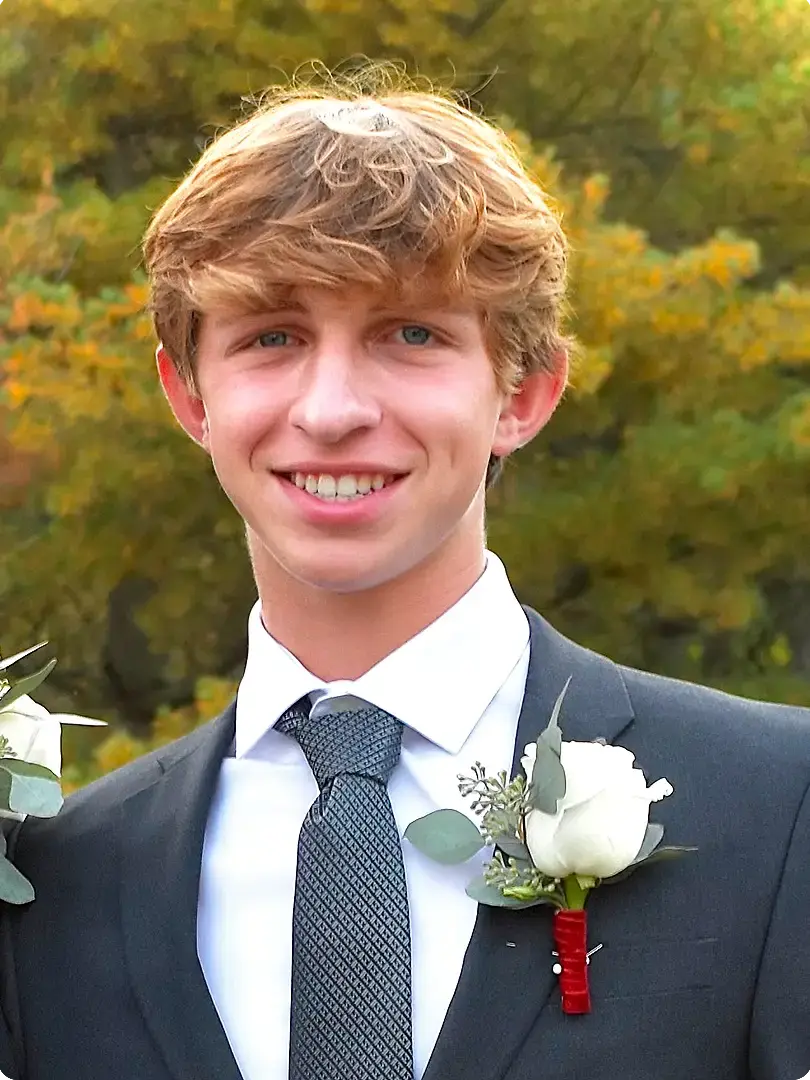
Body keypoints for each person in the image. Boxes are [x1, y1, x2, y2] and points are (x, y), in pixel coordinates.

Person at [1, 69, 809, 1080]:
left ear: (526, 389)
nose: (332, 408)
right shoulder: (53, 881)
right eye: (273, 337)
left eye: (411, 335)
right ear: (189, 393)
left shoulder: (781, 811)